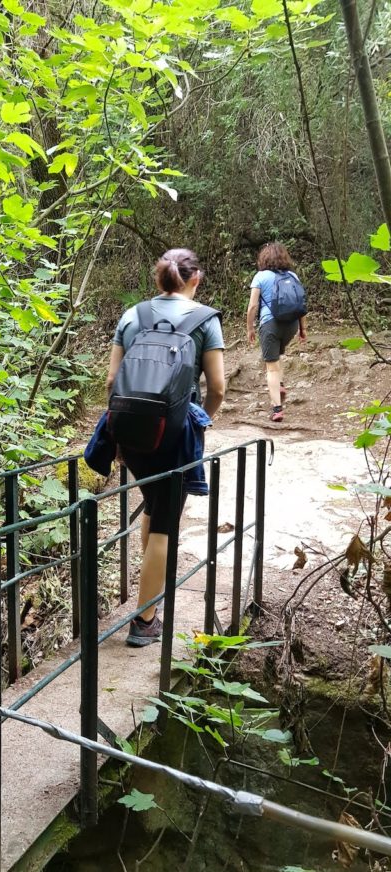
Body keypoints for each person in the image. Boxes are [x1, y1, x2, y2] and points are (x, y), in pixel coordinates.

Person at [106, 248, 226, 647]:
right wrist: (199, 421)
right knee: (165, 521)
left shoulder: (132, 316)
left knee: (154, 502)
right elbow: (218, 387)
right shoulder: (205, 320)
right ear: (195, 279)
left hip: (130, 431)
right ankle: (144, 622)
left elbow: (111, 382)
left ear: (159, 279)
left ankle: (149, 583)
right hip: (173, 433)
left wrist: (122, 435)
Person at [246, 242, 307, 422]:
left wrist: (250, 327)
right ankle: (279, 384)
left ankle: (277, 408)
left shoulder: (260, 276)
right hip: (291, 325)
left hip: (270, 324)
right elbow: (301, 305)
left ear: (264, 258)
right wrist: (303, 329)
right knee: (276, 358)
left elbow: (253, 306)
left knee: (271, 366)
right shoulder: (293, 275)